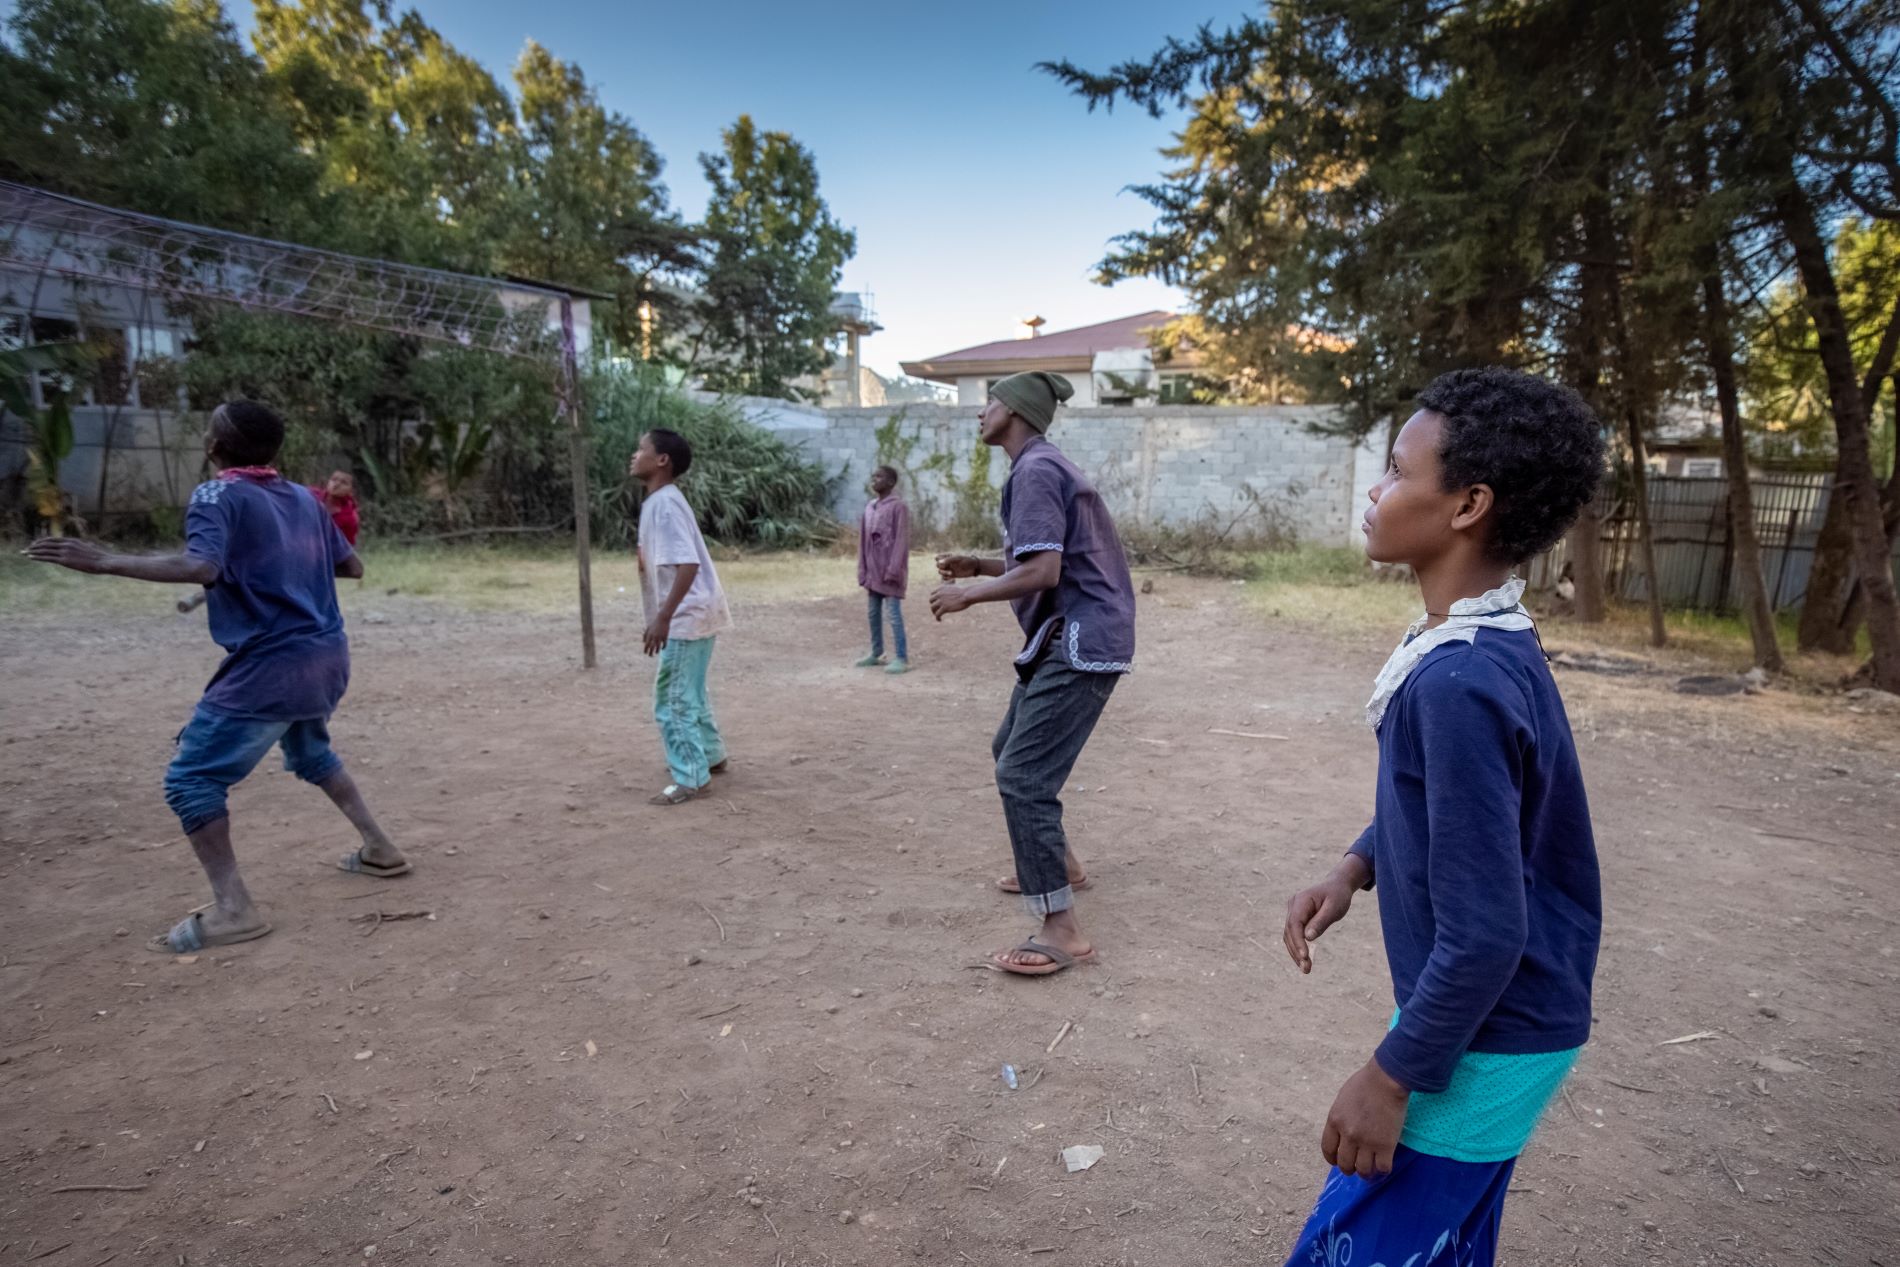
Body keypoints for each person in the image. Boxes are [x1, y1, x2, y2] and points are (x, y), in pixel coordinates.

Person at [1277, 367, 1605, 1266]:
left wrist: (1388, 1077)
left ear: (1467, 505)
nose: (1377, 492)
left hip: (1488, 1034)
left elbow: (1489, 932)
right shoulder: (1485, 641)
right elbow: (1462, 813)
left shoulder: (1460, 681)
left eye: (1395, 470)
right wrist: (1354, 867)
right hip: (1502, 1024)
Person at [24, 400, 409, 954]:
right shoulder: (304, 497)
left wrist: (104, 560)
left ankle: (234, 911)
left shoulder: (216, 494)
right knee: (310, 752)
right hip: (325, 657)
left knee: (190, 781)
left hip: (271, 666)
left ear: (214, 447)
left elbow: (201, 565)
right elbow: (351, 566)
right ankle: (380, 849)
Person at [929, 371, 1135, 977]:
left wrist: (970, 592)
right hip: (1071, 634)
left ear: (1014, 412)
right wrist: (983, 562)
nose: (979, 413)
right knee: (1009, 750)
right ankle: (1060, 864)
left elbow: (1043, 571)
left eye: (989, 402)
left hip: (1081, 639)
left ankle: (1062, 928)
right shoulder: (1043, 466)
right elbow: (1051, 558)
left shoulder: (1037, 471)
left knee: (1022, 774)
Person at [630, 428, 732, 806]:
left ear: (662, 461)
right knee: (690, 692)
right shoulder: (660, 501)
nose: (633, 455)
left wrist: (663, 618)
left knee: (671, 697)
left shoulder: (665, 504)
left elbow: (686, 563)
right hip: (696, 612)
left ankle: (690, 776)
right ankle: (709, 755)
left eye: (641, 449)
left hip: (687, 616)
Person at [855, 464, 911, 673]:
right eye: (873, 476)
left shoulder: (899, 507)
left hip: (890, 571)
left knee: (893, 614)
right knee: (873, 613)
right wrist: (862, 568)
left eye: (879, 477)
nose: (874, 480)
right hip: (872, 570)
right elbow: (862, 541)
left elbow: (901, 541)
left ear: (890, 482)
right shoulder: (870, 507)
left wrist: (894, 569)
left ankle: (902, 657)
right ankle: (876, 652)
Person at [308, 469, 360, 547]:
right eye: (334, 479)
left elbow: (347, 546)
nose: (337, 484)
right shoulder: (311, 495)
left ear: (351, 491)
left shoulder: (350, 518)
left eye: (344, 482)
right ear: (328, 483)